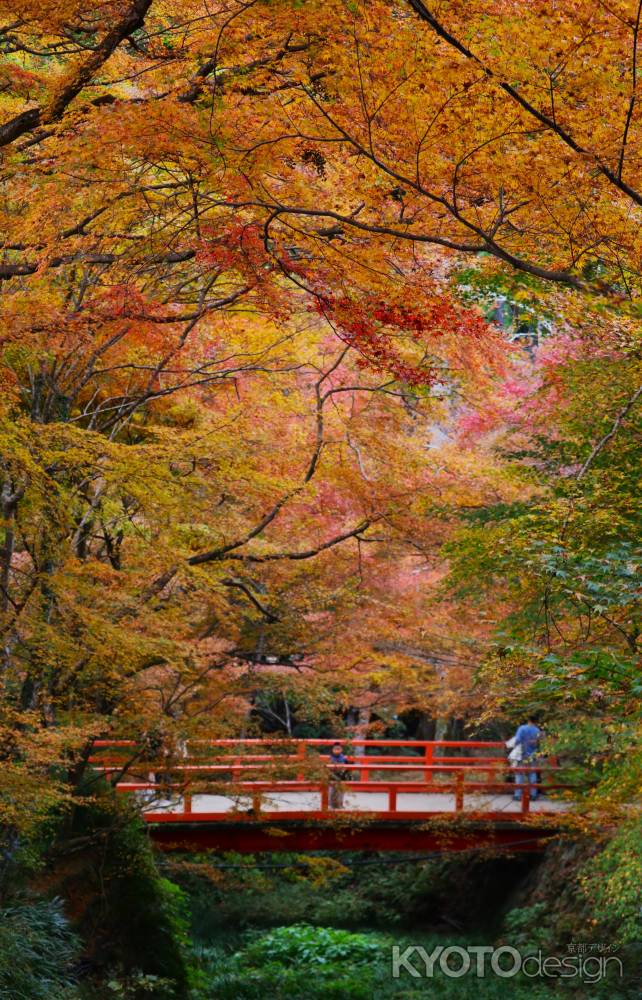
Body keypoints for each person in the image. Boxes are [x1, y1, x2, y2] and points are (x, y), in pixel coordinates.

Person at [512, 717, 541, 801]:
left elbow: (517, 740)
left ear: (528, 720)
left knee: (519, 773)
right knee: (532, 774)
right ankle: (533, 794)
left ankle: (518, 795)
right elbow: (539, 742)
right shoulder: (537, 730)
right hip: (533, 754)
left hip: (522, 754)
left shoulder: (522, 728)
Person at [327, 742, 350, 809]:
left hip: (341, 776)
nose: (337, 751)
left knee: (341, 791)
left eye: (338, 749)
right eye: (335, 749)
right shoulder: (330, 758)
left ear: (341, 750)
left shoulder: (344, 758)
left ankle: (340, 804)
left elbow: (347, 768)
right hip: (333, 776)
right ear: (332, 750)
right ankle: (331, 805)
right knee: (332, 791)